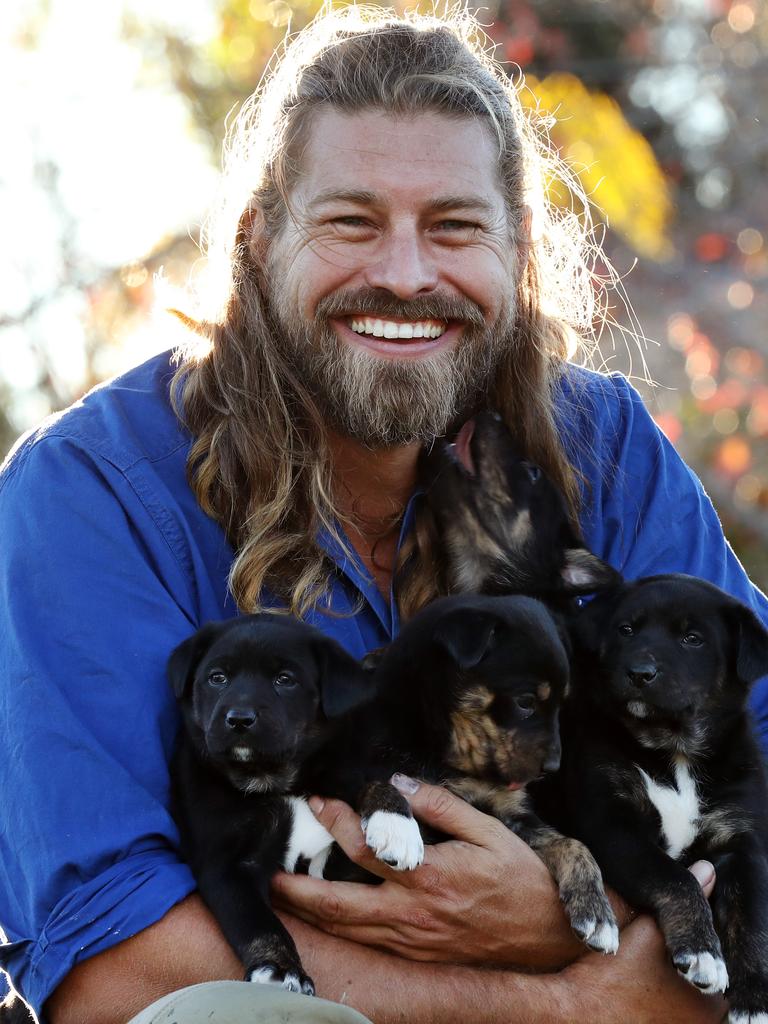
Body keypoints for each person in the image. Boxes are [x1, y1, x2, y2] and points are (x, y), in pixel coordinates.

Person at [0, 7, 764, 1023]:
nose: (406, 275)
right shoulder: (90, 494)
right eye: (352, 222)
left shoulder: (605, 451)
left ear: (517, 247)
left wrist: (565, 904)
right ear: (260, 236)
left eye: (453, 226)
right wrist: (575, 1007)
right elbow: (117, 962)